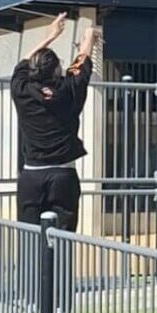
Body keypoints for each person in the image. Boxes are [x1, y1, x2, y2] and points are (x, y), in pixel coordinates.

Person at [12, 13, 101, 232]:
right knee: (62, 242)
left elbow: (22, 63)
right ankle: (59, 268)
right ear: (56, 71)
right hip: (63, 175)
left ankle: (30, 267)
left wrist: (49, 36)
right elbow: (81, 62)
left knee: (29, 240)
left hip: (31, 175)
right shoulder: (70, 89)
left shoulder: (22, 90)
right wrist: (88, 36)